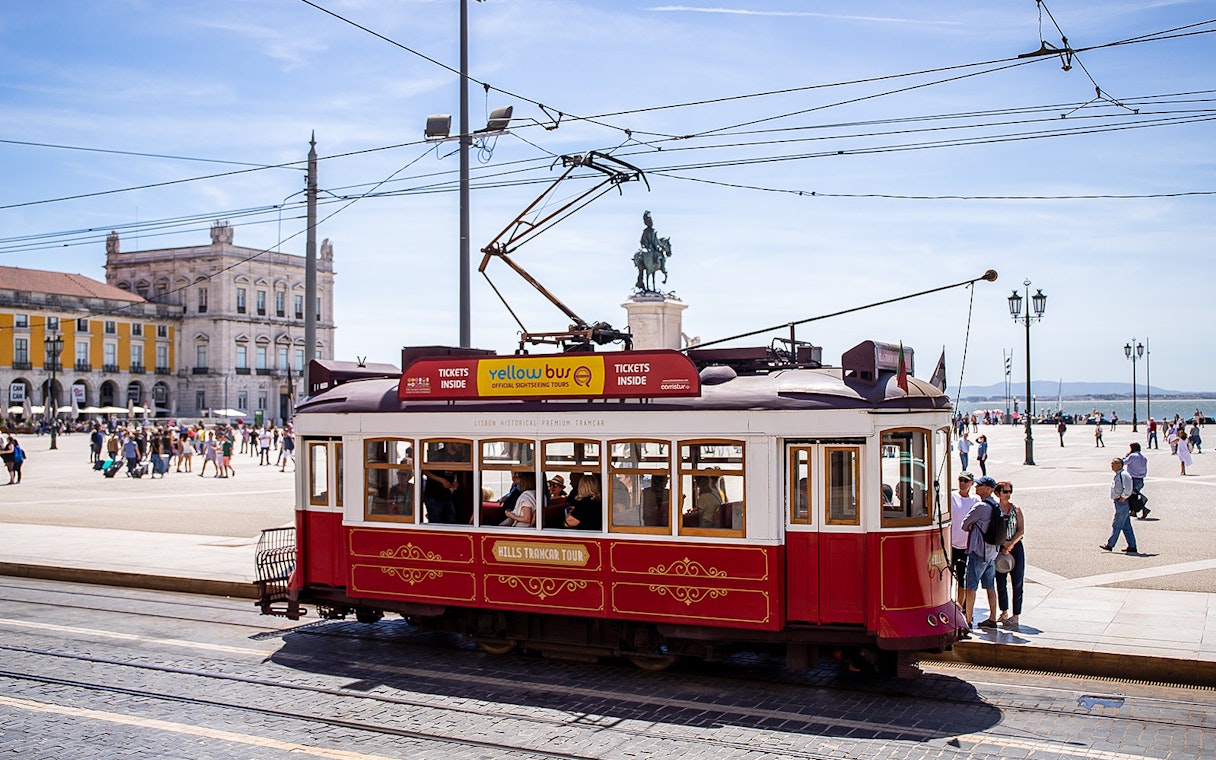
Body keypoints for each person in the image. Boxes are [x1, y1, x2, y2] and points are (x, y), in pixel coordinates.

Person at [961, 476, 1002, 629]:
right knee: (990, 587)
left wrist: (972, 525)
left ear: (987, 488)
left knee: (971, 586)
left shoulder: (980, 507)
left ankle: (968, 619)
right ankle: (992, 618)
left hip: (978, 552)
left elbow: (964, 525)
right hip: (992, 553)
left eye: (978, 485)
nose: (976, 487)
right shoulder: (996, 506)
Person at [992, 481, 1026, 631]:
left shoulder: (1016, 509)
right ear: (998, 493)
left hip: (1015, 547)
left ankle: (1016, 614)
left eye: (1009, 491)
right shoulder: (994, 509)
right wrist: (1002, 544)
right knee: (1000, 581)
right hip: (999, 547)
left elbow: (1021, 530)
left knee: (1017, 582)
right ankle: (1003, 611)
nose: (1008, 494)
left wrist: (1011, 543)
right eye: (1005, 491)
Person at [949, 471, 979, 608]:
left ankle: (960, 607)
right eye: (960, 480)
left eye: (965, 481)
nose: (962, 483)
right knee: (948, 577)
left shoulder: (975, 500)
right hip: (951, 544)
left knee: (963, 579)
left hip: (967, 546)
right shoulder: (951, 497)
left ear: (971, 483)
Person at [1101, 457, 1138, 553]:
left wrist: (1123, 497)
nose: (1112, 465)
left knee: (1117, 524)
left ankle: (1110, 544)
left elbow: (1128, 488)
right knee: (1126, 526)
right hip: (1118, 502)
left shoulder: (1124, 474)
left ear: (1120, 465)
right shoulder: (1118, 475)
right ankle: (1132, 546)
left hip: (1122, 502)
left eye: (1114, 463)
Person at [1123, 442, 1150, 519]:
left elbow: (1123, 462)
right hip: (1140, 479)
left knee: (1132, 496)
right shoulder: (1143, 457)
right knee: (1133, 496)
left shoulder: (1132, 456)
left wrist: (1126, 456)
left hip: (1133, 478)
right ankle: (1133, 511)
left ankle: (1144, 508)